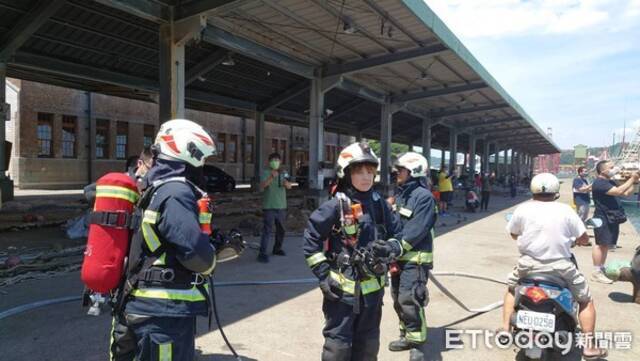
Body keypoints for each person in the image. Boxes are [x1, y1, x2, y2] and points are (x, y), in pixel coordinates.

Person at [110, 119, 218, 361]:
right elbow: (196, 256)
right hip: (162, 315)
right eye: (202, 158)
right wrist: (211, 258)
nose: (202, 164)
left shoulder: (155, 188)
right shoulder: (177, 192)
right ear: (189, 152)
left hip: (139, 303)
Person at [303, 142, 402, 361]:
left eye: (370, 171)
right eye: (359, 171)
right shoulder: (335, 206)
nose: (367, 177)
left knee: (368, 347)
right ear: (346, 173)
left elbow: (398, 235)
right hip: (342, 296)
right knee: (338, 349)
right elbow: (311, 241)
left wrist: (391, 247)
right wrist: (323, 275)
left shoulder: (381, 205)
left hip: (373, 296)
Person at [501, 173, 607, 360]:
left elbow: (513, 233)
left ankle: (505, 331)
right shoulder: (566, 210)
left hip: (528, 265)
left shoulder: (522, 209)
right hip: (561, 266)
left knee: (511, 289)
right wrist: (580, 240)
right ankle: (589, 346)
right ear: (556, 191)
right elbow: (583, 238)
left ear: (533, 190)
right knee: (585, 300)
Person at [387, 152, 436, 361]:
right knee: (398, 298)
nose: (397, 173)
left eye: (401, 170)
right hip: (399, 257)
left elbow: (418, 229)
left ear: (413, 171)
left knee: (410, 298)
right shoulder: (401, 194)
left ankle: (418, 344)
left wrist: (397, 246)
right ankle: (406, 335)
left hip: (416, 258)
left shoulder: (424, 197)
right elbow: (396, 223)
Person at [590, 160, 639, 284]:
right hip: (602, 217)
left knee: (606, 245)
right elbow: (618, 191)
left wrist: (635, 182)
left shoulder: (609, 182)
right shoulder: (600, 183)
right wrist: (632, 179)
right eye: (611, 167)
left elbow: (626, 193)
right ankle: (596, 272)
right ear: (602, 170)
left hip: (611, 217)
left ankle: (601, 268)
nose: (614, 169)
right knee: (600, 244)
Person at [258, 152, 292, 263]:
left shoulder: (284, 173)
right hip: (269, 206)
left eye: (277, 160)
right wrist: (271, 177)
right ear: (269, 162)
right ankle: (262, 253)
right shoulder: (265, 172)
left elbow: (289, 186)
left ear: (280, 162)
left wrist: (286, 183)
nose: (276, 162)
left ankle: (277, 248)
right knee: (267, 230)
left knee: (281, 230)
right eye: (273, 160)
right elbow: (262, 186)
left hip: (281, 206)